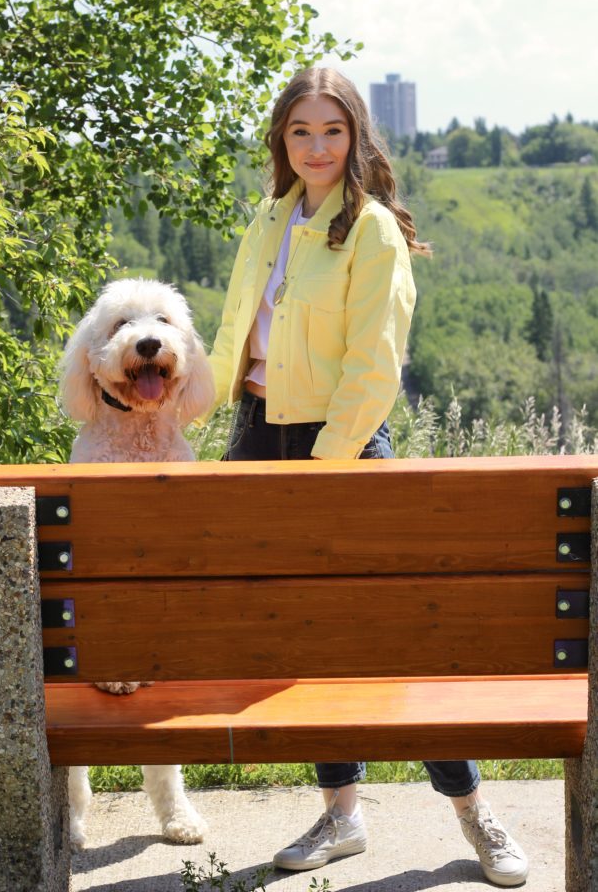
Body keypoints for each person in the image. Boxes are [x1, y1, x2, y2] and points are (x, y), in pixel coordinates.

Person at [206, 66, 528, 887]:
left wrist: (323, 468)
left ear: (356, 138)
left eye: (332, 131)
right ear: (282, 141)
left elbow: (372, 365)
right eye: (300, 132)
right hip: (254, 435)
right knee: (300, 637)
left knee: (393, 639)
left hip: (336, 449)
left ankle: (472, 813)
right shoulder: (271, 218)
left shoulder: (372, 228)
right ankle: (340, 817)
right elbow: (236, 335)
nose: (315, 147)